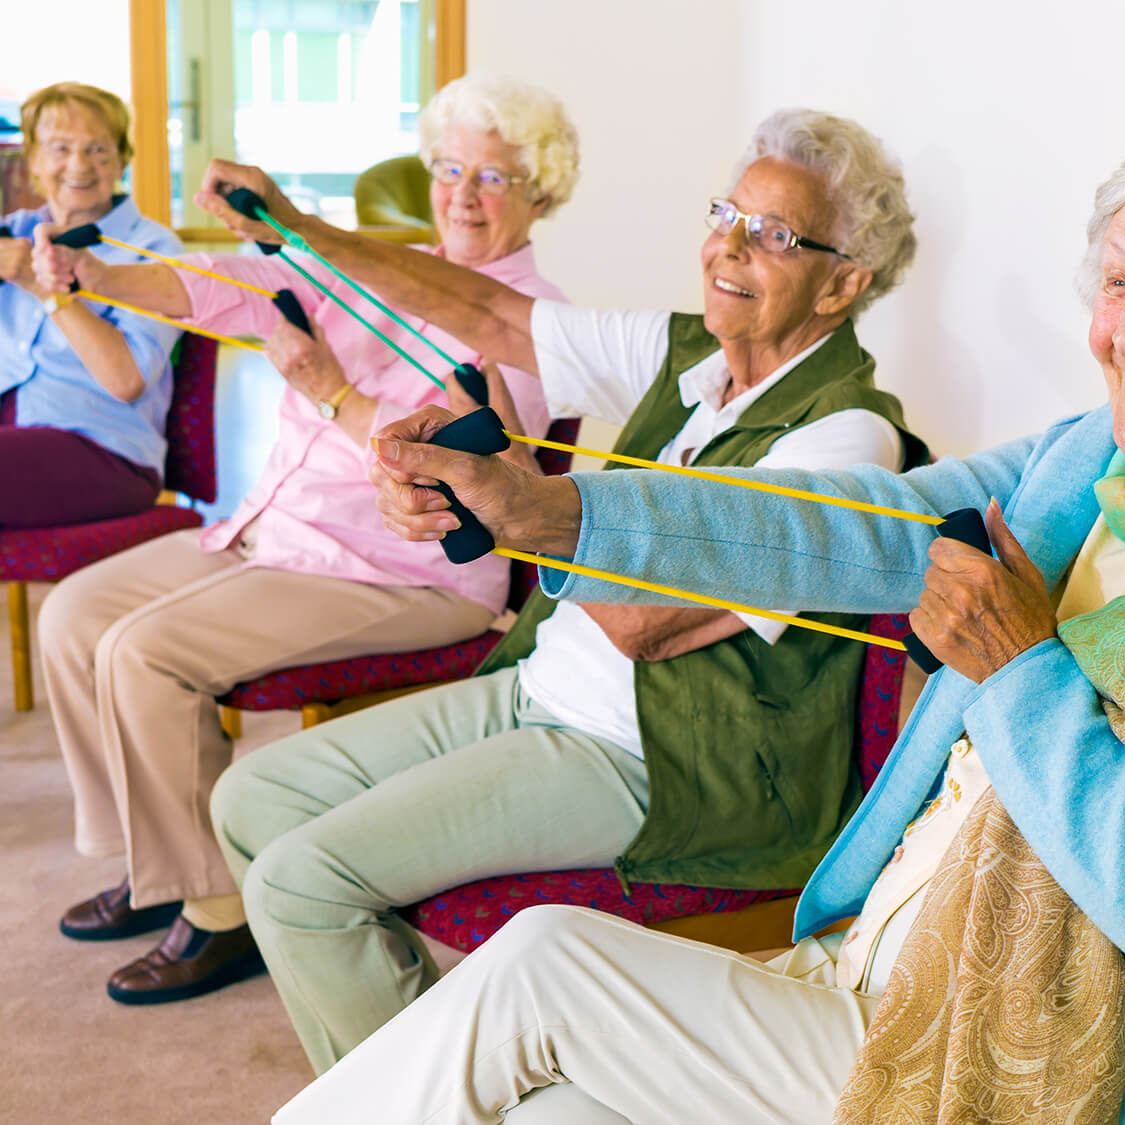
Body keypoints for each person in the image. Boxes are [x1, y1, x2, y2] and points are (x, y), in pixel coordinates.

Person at [273, 123, 1125, 1125]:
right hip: (884, 970)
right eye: (1119, 283)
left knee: (543, 967)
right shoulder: (1100, 456)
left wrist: (1022, 668)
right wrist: (551, 512)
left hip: (1050, 1066)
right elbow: (846, 525)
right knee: (550, 1110)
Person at [203, 107, 930, 1074]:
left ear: (843, 282)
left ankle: (414, 1093)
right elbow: (489, 314)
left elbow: (644, 624)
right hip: (540, 688)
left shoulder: (845, 438)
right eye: (726, 215)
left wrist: (521, 502)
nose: (729, 246)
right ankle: (432, 1069)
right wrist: (301, 230)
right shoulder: (691, 357)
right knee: (252, 797)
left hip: (660, 754)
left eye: (775, 235)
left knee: (301, 884)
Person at [26, 74, 576, 1007]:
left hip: (399, 571)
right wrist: (97, 278)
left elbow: (460, 475)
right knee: (74, 616)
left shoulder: (530, 317)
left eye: (495, 176)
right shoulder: (386, 264)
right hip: (277, 530)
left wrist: (329, 390)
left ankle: (216, 907)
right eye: (450, 169)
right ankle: (157, 864)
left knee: (143, 652)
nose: (464, 195)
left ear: (541, 191)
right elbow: (224, 288)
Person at [0, 82, 181, 527]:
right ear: (34, 159)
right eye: (60, 148)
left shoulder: (154, 250)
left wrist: (44, 289)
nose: (79, 165)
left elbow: (126, 380)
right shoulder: (14, 231)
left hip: (105, 450)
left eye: (98, 149)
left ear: (123, 159)